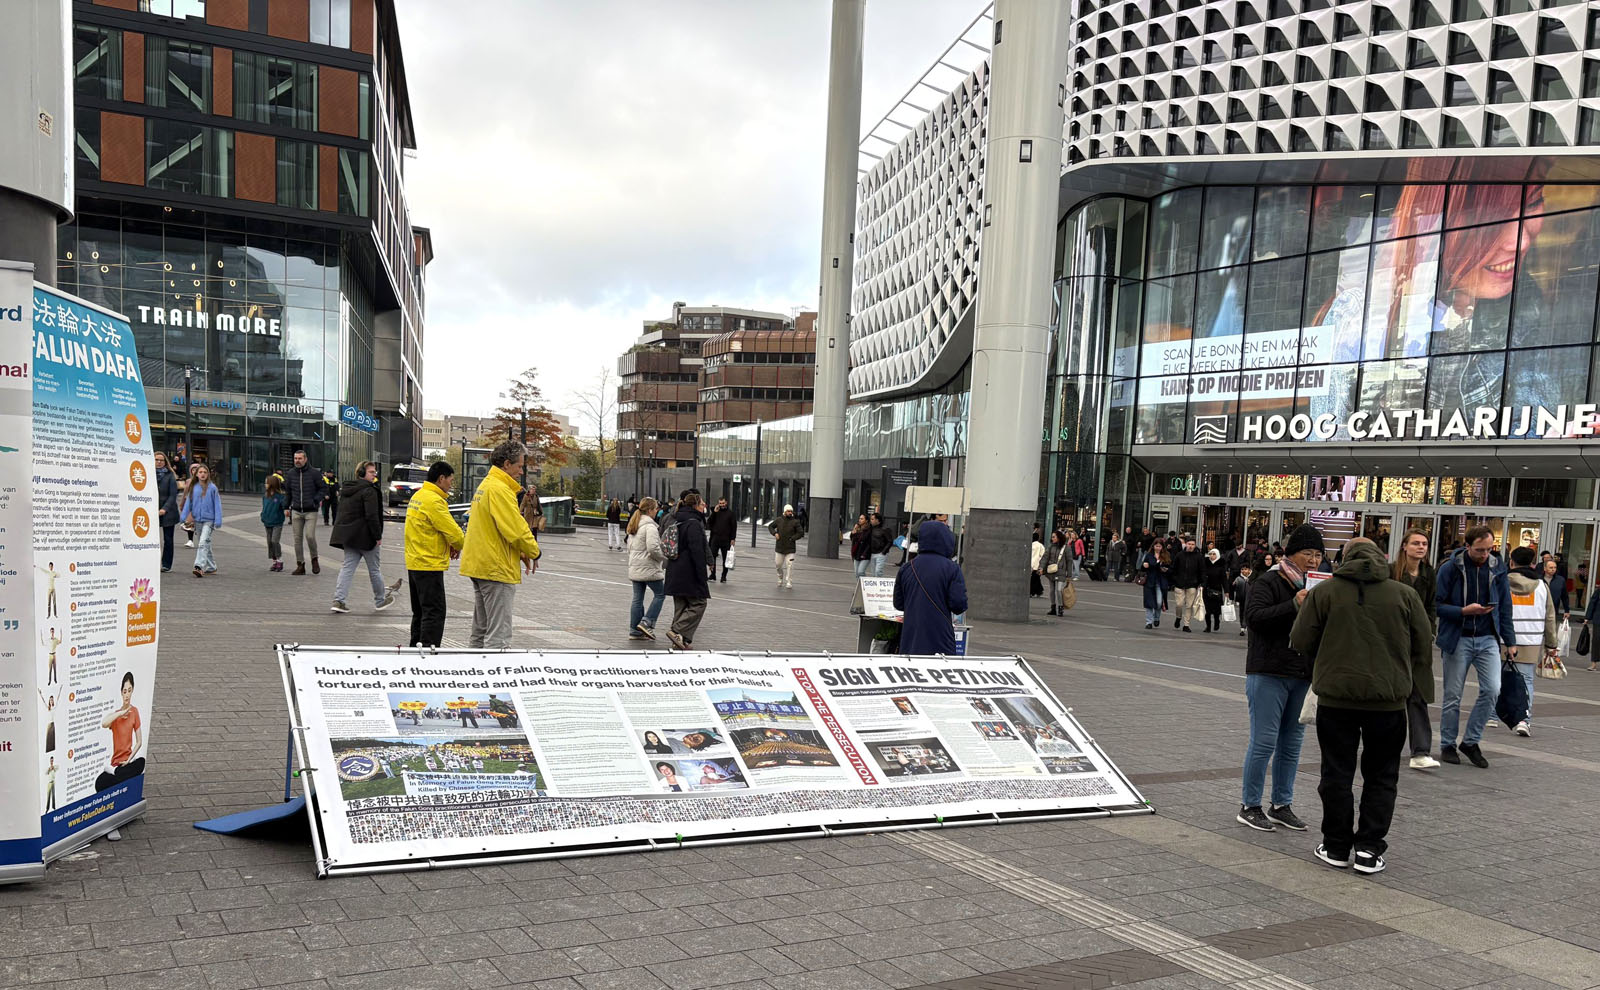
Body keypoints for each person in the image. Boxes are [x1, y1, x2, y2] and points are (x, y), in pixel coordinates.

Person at [1290, 538, 1434, 876]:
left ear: (1344, 558)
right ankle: (1369, 849)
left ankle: (1336, 846)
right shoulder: (1404, 594)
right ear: (1381, 559)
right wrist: (1415, 687)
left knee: (1336, 774)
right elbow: (1423, 644)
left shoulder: (1325, 593)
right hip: (1388, 703)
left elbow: (1300, 640)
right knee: (1382, 776)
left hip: (1336, 700)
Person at [1237, 523, 1323, 833]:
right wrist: (1293, 605)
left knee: (1292, 743)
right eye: (1307, 554)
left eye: (1318, 555)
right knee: (1264, 741)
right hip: (1268, 671)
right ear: (1291, 553)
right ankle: (1250, 805)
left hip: (1301, 674)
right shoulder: (1268, 581)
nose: (1313, 561)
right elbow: (1255, 618)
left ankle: (1282, 804)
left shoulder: (1319, 587)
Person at [1435, 524, 1514, 768]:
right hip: (1459, 637)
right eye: (1480, 550)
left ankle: (1471, 741)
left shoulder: (1497, 568)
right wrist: (1462, 611)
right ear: (1467, 546)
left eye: (1489, 549)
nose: (1485, 554)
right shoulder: (1450, 568)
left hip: (1488, 637)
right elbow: (1436, 605)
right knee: (1452, 696)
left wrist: (1510, 641)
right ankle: (1448, 743)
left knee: (1492, 689)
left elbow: (1505, 606)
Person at [460, 440, 542, 648]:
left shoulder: (486, 485)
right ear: (507, 464)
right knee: (499, 635)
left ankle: (473, 675)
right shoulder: (500, 489)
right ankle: (496, 677)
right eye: (519, 465)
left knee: (480, 632)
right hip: (495, 568)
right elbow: (514, 528)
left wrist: (520, 552)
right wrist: (534, 551)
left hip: (480, 564)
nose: (521, 471)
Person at [1391, 530, 1440, 769]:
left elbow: (1431, 605)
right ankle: (1389, 746)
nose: (1421, 547)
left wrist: (1430, 631)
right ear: (1404, 546)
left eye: (1425, 544)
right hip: (1393, 641)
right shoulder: (1392, 572)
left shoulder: (1429, 573)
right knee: (1395, 695)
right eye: (1416, 543)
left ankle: (1420, 751)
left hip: (1419, 642)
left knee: (1418, 694)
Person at [404, 461, 465, 647]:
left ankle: (414, 650)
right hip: (429, 563)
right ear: (441, 479)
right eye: (450, 480)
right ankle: (429, 655)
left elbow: (430, 529)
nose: (451, 484)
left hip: (415, 561)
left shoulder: (419, 496)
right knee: (434, 613)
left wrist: (450, 543)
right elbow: (456, 535)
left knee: (420, 612)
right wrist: (458, 544)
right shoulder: (434, 501)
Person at [329, 460, 399, 614]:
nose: (375, 474)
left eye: (375, 472)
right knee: (374, 569)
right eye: (371, 472)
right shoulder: (370, 491)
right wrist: (377, 536)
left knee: (347, 567)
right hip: (366, 537)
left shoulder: (348, 489)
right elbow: (372, 516)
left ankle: (339, 600)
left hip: (350, 536)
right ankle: (380, 600)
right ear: (361, 473)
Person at [892, 518, 968, 655]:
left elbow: (898, 603)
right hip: (940, 638)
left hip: (911, 638)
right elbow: (958, 605)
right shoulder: (952, 569)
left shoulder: (907, 567)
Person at [1507, 545, 1558, 737]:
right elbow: (1550, 616)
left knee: (1499, 678)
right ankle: (1524, 720)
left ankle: (1494, 715)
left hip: (1504, 638)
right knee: (1526, 680)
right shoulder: (1542, 586)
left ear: (1511, 562)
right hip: (1531, 639)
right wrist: (1551, 644)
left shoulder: (1501, 582)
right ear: (1532, 564)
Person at [663, 492, 710, 650]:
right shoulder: (694, 523)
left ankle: (680, 640)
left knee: (681, 605)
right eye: (702, 504)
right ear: (696, 505)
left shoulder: (678, 519)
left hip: (675, 568)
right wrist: (702, 575)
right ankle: (676, 631)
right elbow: (697, 551)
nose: (704, 506)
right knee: (699, 603)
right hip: (688, 571)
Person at [95, 671, 145, 792]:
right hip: (116, 764)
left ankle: (117, 775)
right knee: (99, 783)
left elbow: (139, 742)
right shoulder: (116, 716)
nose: (127, 694)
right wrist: (121, 713)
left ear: (132, 690)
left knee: (141, 762)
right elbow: (104, 723)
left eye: (129, 690)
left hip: (128, 763)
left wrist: (128, 760)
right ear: (121, 692)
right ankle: (118, 775)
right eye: (124, 691)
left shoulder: (135, 712)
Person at [627, 496, 667, 640]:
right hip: (649, 568)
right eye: (656, 508)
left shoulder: (635, 524)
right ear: (650, 510)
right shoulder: (650, 527)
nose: (657, 511)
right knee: (660, 594)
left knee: (637, 599)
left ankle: (634, 630)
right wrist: (662, 559)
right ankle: (647, 621)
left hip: (636, 567)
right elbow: (653, 548)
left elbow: (629, 547)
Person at [283, 450, 327, 575]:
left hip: (310, 511)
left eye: (300, 458)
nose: (297, 460)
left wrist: (316, 500)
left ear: (305, 459)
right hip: (296, 511)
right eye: (295, 458)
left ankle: (314, 559)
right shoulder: (291, 474)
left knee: (310, 536)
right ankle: (300, 564)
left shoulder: (314, 473)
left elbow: (323, 488)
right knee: (297, 539)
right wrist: (286, 507)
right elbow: (288, 492)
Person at [184, 463, 222, 578]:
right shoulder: (193, 487)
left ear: (208, 474)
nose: (203, 474)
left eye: (205, 472)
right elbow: (189, 503)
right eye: (200, 472)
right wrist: (184, 517)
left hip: (209, 520)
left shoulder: (212, 488)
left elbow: (217, 504)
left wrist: (218, 520)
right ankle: (212, 567)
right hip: (198, 520)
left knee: (202, 543)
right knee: (206, 543)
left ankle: (199, 566)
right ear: (196, 474)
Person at [1169, 535, 1204, 632]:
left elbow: (1202, 570)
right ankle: (1178, 617)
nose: (1191, 546)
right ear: (1186, 544)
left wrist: (1201, 582)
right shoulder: (1180, 555)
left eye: (1193, 544)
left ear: (1195, 545)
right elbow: (1173, 568)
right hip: (1179, 583)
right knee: (1179, 604)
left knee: (1189, 605)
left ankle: (1186, 624)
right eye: (1189, 544)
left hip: (1192, 584)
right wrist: (1174, 580)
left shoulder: (1198, 557)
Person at [769, 504, 805, 589]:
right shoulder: (779, 520)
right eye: (788, 511)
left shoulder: (795, 522)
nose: (790, 513)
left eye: (791, 511)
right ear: (785, 512)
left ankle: (789, 581)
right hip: (779, 548)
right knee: (778, 565)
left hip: (790, 548)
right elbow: (770, 526)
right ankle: (780, 577)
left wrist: (792, 538)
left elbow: (801, 532)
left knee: (790, 565)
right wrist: (775, 533)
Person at [154, 452, 179, 573]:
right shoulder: (147, 474)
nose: (158, 462)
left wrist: (165, 508)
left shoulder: (170, 476)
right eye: (156, 460)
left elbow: (173, 495)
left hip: (168, 512)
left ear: (165, 462)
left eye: (161, 460)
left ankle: (166, 564)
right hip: (152, 511)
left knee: (168, 539)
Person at [260, 475, 288, 572]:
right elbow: (264, 507)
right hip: (267, 521)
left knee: (275, 540)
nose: (265, 484)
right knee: (269, 542)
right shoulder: (265, 496)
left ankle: (280, 559)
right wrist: (262, 516)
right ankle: (274, 560)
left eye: (267, 482)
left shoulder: (280, 496)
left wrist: (286, 509)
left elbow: (284, 505)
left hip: (277, 522)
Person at [1141, 545, 1172, 629]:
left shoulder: (1166, 555)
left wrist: (1166, 570)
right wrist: (1144, 565)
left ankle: (1156, 618)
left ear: (1162, 547)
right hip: (1149, 581)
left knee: (1159, 602)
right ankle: (1149, 622)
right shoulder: (1149, 555)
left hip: (1160, 582)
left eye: (1160, 546)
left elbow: (1171, 569)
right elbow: (1142, 568)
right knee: (1149, 602)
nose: (1158, 548)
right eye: (1156, 546)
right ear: (1153, 546)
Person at [707, 496, 737, 581]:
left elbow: (734, 527)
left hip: (726, 539)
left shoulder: (731, 514)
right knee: (712, 557)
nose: (722, 505)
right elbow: (709, 523)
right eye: (720, 503)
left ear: (726, 503)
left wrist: (733, 539)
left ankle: (724, 576)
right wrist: (714, 512)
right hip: (715, 538)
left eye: (723, 503)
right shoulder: (715, 512)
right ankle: (713, 574)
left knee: (726, 558)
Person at [1201, 548, 1230, 633]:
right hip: (1206, 589)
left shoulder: (1221, 566)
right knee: (1207, 610)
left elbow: (1224, 580)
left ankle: (1217, 622)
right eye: (1210, 554)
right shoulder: (1205, 564)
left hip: (1217, 589)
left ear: (1217, 555)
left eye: (1214, 554)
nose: (1212, 556)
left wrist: (1227, 591)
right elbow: (1202, 575)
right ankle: (1208, 626)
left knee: (1216, 610)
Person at [1043, 531, 1069, 617]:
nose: (1052, 538)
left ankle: (1060, 607)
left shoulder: (1066, 548)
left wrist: (1069, 574)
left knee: (1058, 590)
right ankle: (1053, 607)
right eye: (1052, 537)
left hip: (1061, 571)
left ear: (1059, 537)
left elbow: (1069, 561)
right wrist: (1041, 567)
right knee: (1051, 590)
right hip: (1051, 571)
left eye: (1054, 537)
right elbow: (1045, 557)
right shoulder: (1051, 547)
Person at [1543, 557, 1571, 623]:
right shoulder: (1538, 579)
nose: (1553, 569)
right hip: (1539, 610)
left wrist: (1566, 610)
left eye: (1555, 567)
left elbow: (1564, 596)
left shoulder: (1560, 580)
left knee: (1551, 631)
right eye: (1551, 568)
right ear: (1545, 568)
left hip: (1553, 610)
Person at [868, 512, 894, 577]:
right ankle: (874, 586)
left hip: (880, 553)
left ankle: (879, 585)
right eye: (871, 519)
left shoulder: (884, 529)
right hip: (872, 553)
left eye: (872, 519)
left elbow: (890, 541)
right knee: (873, 572)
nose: (871, 520)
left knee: (878, 571)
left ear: (877, 520)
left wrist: (883, 552)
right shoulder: (870, 528)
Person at [1231, 563, 1252, 637]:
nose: (1243, 571)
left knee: (1248, 613)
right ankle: (1242, 628)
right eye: (1242, 569)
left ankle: (1246, 625)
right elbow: (1234, 589)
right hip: (1242, 599)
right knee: (1241, 612)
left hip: (1251, 600)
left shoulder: (1252, 578)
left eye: (1245, 569)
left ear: (1249, 570)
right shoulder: (1238, 579)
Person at [849, 514, 873, 578]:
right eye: (859, 518)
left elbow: (869, 543)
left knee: (861, 572)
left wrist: (865, 553)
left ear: (866, 520)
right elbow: (852, 539)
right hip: (856, 554)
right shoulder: (858, 528)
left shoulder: (869, 530)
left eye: (862, 519)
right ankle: (860, 587)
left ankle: (865, 586)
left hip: (865, 554)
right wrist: (853, 532)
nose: (859, 520)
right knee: (857, 574)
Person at [1029, 531, 1046, 599]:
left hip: (1031, 563)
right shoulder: (1040, 545)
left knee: (1033, 579)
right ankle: (1039, 590)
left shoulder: (1031, 545)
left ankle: (1032, 591)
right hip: (1037, 564)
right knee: (1036, 578)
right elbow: (1043, 555)